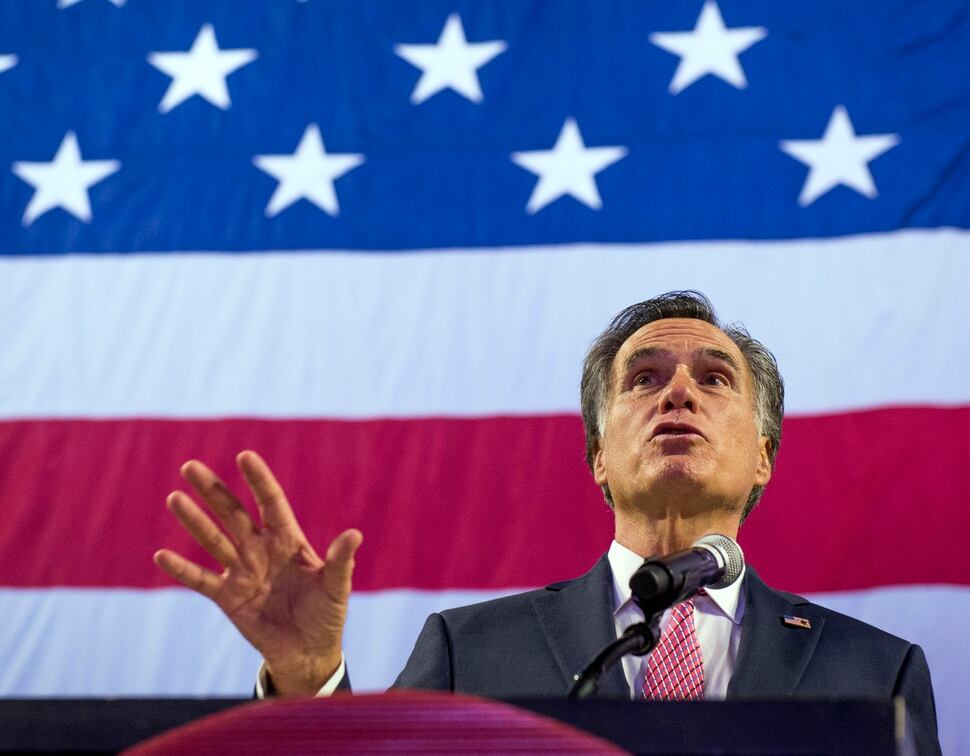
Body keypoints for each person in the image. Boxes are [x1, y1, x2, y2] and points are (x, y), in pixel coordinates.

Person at [154, 291, 940, 754]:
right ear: (599, 457)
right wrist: (308, 675)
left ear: (763, 457)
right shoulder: (470, 649)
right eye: (643, 379)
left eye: (712, 378)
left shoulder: (877, 672)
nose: (677, 395)